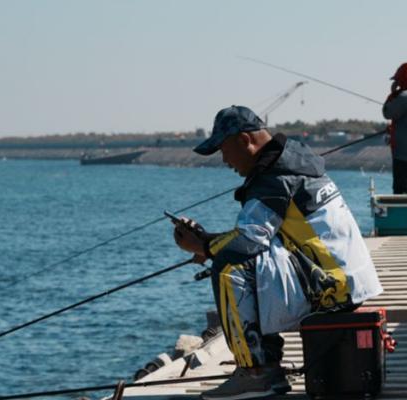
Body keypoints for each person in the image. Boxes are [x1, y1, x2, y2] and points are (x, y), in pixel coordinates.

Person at [172, 105, 383, 400]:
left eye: (224, 149)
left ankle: (255, 373)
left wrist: (204, 247)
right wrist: (208, 243)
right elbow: (258, 237)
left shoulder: (275, 178)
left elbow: (247, 242)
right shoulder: (291, 162)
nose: (224, 160)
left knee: (230, 266)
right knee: (237, 256)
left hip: (333, 287)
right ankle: (268, 369)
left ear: (245, 140)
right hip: (342, 279)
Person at [383, 63, 407, 194]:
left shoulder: (403, 97)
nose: (396, 82)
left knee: (401, 193)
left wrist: (393, 94)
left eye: (397, 79)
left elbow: (387, 113)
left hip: (403, 157)